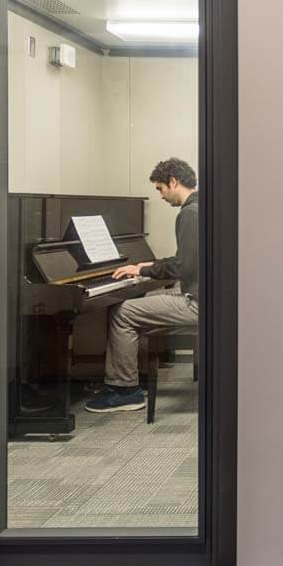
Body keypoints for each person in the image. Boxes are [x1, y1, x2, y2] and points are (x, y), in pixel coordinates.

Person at [85, 157, 200, 413]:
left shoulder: (190, 214)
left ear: (173, 182)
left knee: (123, 312)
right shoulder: (201, 206)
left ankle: (126, 390)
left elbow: (184, 267)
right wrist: (147, 266)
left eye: (160, 188)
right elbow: (187, 259)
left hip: (198, 304)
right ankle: (127, 377)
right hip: (206, 297)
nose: (160, 195)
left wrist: (145, 269)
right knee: (150, 297)